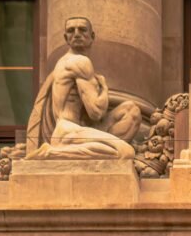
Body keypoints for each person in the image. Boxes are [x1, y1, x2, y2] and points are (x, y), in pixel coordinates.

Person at [27, 16, 140, 159]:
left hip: (75, 130)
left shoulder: (66, 62)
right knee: (126, 152)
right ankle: (51, 153)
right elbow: (96, 112)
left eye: (82, 29)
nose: (76, 34)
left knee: (131, 111)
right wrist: (104, 87)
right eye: (71, 31)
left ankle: (76, 149)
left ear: (92, 36)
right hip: (68, 131)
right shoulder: (80, 62)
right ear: (66, 38)